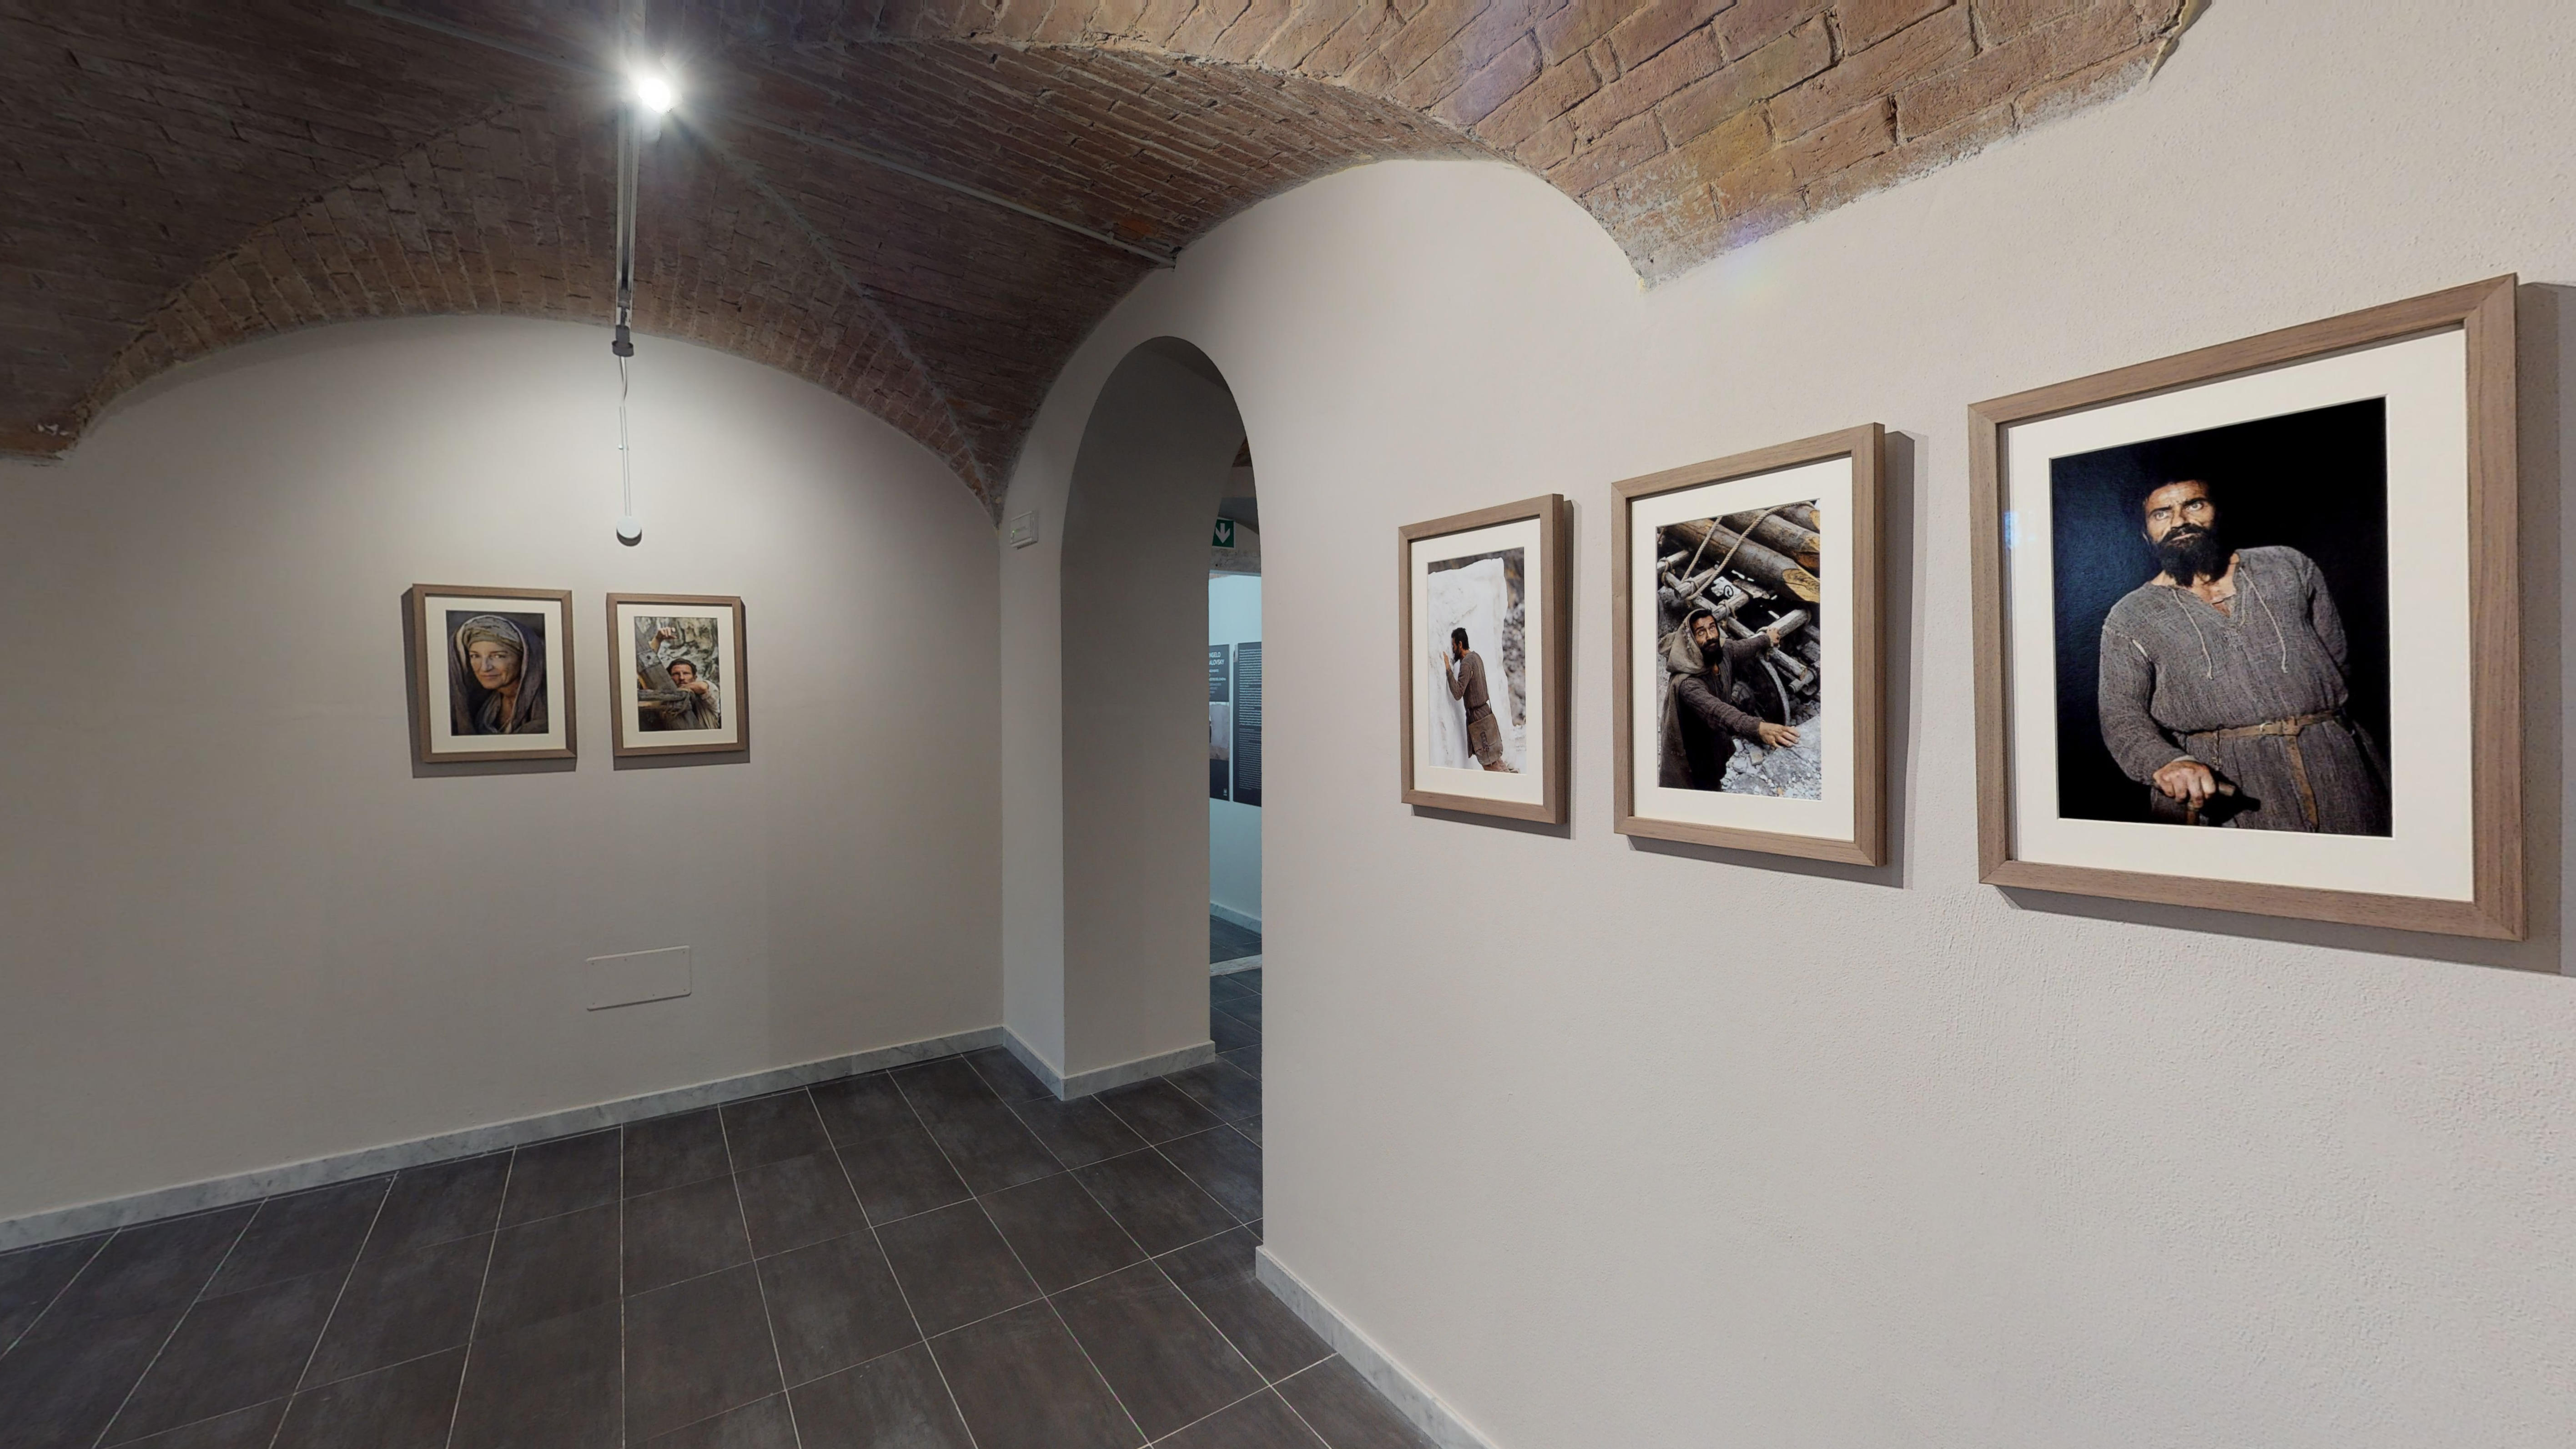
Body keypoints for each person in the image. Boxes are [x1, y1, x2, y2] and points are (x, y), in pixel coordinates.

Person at [2096, 477, 2388, 832]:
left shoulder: (2287, 566)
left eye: (2194, 505)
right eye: (2161, 513)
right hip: (2222, 785)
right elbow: (2121, 717)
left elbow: (2338, 661)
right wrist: (2168, 763)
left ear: (2217, 512)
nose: (2179, 521)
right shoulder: (2131, 615)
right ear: (2146, 534)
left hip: (2334, 765)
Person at [1659, 607, 1797, 790]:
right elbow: (1718, 712)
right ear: (1691, 640)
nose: (1710, 636)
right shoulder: (1688, 684)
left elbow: (1745, 647)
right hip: (1694, 748)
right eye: (1701, 632)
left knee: (1717, 770)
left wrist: (1767, 639)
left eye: (1712, 628)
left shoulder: (1722, 652)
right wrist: (1759, 728)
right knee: (1699, 784)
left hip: (1714, 738)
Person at [451, 614, 547, 735]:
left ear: (524, 659)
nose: (485, 668)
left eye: (498, 656)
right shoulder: (482, 706)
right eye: (475, 656)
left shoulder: (549, 707)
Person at [1440, 627, 1508, 770]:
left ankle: (1505, 785)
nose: (1453, 650)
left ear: (1460, 644)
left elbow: (1458, 693)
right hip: (1486, 712)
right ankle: (1511, 783)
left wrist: (1448, 670)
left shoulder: (1467, 663)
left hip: (1478, 718)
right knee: (1495, 759)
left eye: (1454, 646)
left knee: (1490, 763)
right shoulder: (1476, 657)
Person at [637, 627, 720, 731]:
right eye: (676, 674)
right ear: (670, 678)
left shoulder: (709, 690)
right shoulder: (665, 696)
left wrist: (672, 693)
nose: (681, 678)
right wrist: (658, 640)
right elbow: (646, 668)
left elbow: (702, 687)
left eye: (686, 674)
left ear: (695, 677)